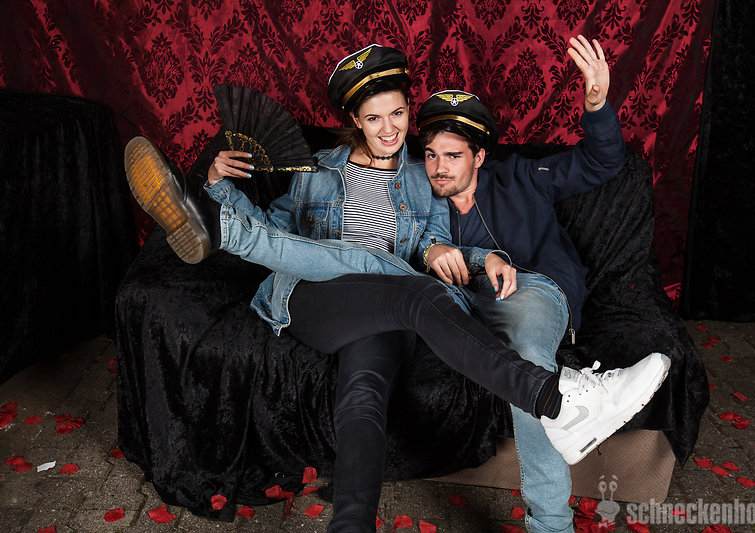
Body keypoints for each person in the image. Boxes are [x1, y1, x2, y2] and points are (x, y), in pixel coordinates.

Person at [124, 43, 669, 533]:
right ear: (354, 122)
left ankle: (351, 524)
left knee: (364, 393)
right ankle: (556, 400)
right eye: (373, 118)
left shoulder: (420, 179)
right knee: (393, 278)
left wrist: (473, 255)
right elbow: (279, 231)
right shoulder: (317, 171)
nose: (389, 130)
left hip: (387, 305)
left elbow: (433, 244)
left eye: (398, 114)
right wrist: (221, 188)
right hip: (314, 294)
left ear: (412, 113)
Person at [416, 35, 632, 533]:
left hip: (532, 293)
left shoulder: (524, 177)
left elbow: (602, 162)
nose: (439, 168)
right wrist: (431, 252)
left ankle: (551, 523)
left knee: (529, 358)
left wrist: (597, 105)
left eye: (452, 155)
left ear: (479, 156)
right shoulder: (418, 197)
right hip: (454, 302)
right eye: (430, 155)